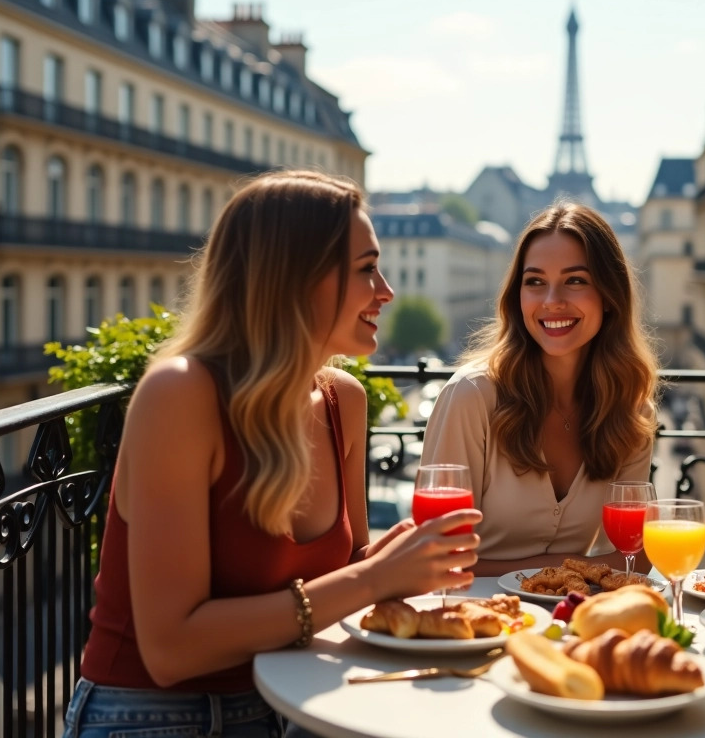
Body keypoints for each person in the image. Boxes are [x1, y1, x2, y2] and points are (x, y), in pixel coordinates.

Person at [64, 170, 481, 738]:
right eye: (365, 270)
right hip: (156, 715)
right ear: (296, 278)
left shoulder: (344, 401)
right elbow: (171, 648)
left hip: (295, 701)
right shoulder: (180, 394)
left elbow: (348, 581)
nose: (385, 290)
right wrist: (373, 577)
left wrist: (394, 564)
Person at [420, 202, 660, 577]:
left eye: (575, 280)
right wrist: (583, 569)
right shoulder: (471, 397)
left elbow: (635, 558)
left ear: (610, 296)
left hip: (570, 625)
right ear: (517, 296)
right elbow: (434, 557)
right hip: (473, 623)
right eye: (535, 282)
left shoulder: (632, 412)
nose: (552, 301)